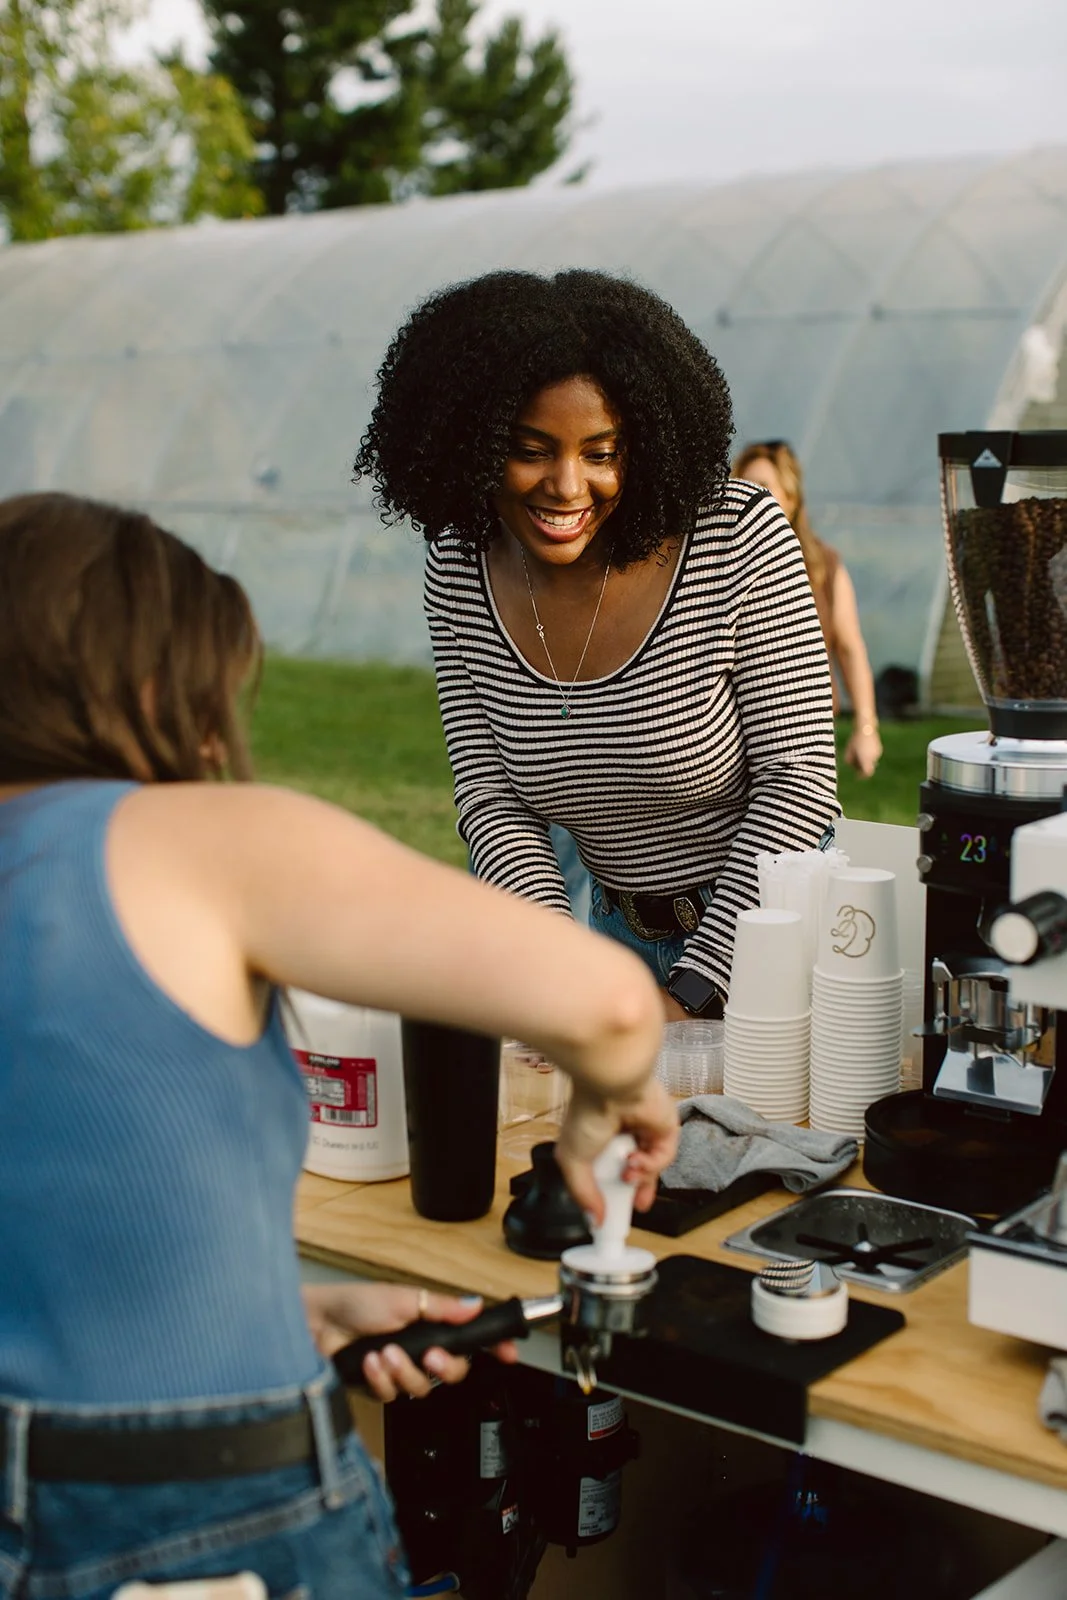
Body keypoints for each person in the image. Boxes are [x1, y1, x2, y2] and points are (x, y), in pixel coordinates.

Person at [0, 492, 676, 1597]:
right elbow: (607, 1002)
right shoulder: (184, 837)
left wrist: (289, 1314)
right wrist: (600, 1113)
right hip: (202, 1528)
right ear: (148, 684)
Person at [353, 269, 839, 1023]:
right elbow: (492, 797)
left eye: (602, 453)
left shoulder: (733, 535)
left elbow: (797, 783)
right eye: (530, 450)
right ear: (471, 443)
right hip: (606, 940)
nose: (567, 485)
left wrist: (693, 990)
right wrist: (562, 971)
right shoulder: (457, 563)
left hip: (773, 950)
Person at [732, 441, 883, 780]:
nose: (751, 499)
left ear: (791, 497)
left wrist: (866, 728)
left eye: (764, 488)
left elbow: (849, 646)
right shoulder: (718, 566)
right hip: (736, 743)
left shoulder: (824, 566)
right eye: (744, 487)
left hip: (802, 736)